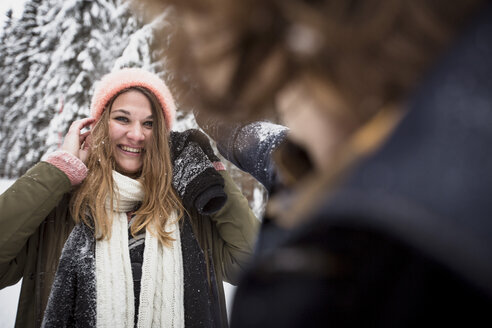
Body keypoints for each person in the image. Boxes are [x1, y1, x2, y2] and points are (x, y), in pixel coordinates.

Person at [137, 0, 492, 326]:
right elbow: (252, 145)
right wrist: (214, 126)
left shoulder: (351, 282)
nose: (289, 117)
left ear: (302, 46)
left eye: (278, 88)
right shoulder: (353, 161)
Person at [0, 67, 259, 327]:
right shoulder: (59, 205)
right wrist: (58, 171)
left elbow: (250, 263)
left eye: (149, 123)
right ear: (99, 124)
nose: (136, 135)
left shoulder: (188, 205)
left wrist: (209, 177)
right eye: (122, 119)